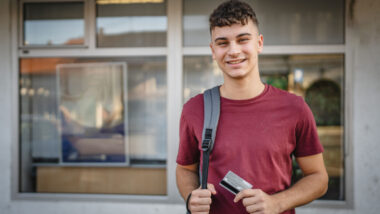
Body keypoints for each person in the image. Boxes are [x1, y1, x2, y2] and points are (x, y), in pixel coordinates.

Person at [175, 1, 329, 214]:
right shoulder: (194, 109)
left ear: (259, 43)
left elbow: (318, 178)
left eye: (242, 40)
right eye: (223, 43)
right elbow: (184, 169)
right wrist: (191, 196)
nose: (233, 51)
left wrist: (278, 203)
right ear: (213, 50)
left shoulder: (295, 108)